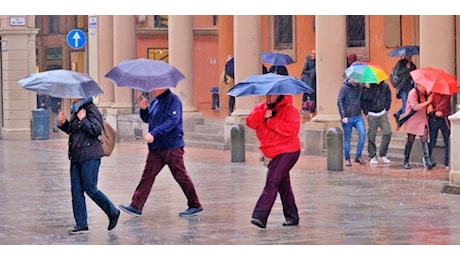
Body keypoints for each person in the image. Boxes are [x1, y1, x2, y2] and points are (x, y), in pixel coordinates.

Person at [119, 88, 203, 217]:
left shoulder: (173, 100)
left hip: (172, 146)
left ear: (163, 86)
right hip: (156, 147)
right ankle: (136, 205)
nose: (151, 90)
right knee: (147, 175)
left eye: (154, 87)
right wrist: (144, 109)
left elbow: (172, 121)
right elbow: (149, 119)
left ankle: (195, 204)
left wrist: (154, 133)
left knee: (180, 176)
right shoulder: (155, 102)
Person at [57, 97, 120, 235]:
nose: (71, 97)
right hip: (76, 155)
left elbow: (96, 130)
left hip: (90, 155)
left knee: (91, 189)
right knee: (76, 191)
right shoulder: (76, 110)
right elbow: (74, 131)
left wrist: (84, 119)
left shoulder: (91, 109)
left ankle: (113, 212)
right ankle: (81, 224)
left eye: (74, 94)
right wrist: (63, 123)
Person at [246, 94, 301, 229]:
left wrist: (271, 121)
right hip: (272, 152)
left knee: (272, 181)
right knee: (283, 185)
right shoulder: (260, 108)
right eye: (267, 94)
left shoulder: (290, 110)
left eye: (272, 95)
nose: (268, 97)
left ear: (280, 95)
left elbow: (293, 130)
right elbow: (250, 123)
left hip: (288, 150)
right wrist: (263, 115)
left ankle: (260, 215)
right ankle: (292, 216)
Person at [401, 83, 434, 170]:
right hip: (413, 119)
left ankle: (427, 161)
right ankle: (406, 160)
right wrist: (427, 102)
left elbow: (429, 104)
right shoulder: (413, 93)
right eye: (423, 86)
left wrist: (430, 105)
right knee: (410, 140)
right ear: (418, 85)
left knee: (424, 139)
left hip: (422, 119)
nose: (425, 88)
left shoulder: (426, 94)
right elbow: (415, 107)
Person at [361, 81, 392, 164]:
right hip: (371, 114)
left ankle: (383, 154)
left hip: (382, 113)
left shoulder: (385, 86)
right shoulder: (368, 87)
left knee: (387, 132)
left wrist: (387, 108)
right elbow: (363, 100)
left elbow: (388, 97)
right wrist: (366, 112)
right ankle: (372, 155)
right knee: (371, 135)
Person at [337, 79, 367, 167]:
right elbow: (339, 102)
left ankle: (358, 156)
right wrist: (343, 116)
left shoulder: (360, 88)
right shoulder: (344, 88)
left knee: (362, 134)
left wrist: (365, 112)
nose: (357, 80)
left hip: (358, 116)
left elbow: (362, 100)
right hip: (347, 116)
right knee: (347, 138)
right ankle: (347, 158)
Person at [427, 92, 452, 169]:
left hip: (444, 118)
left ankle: (447, 162)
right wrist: (429, 105)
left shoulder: (447, 94)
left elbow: (446, 104)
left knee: (447, 140)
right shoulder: (431, 93)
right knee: (432, 140)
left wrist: (440, 111)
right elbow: (427, 101)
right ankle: (428, 159)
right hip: (434, 118)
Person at [391, 55, 417, 124]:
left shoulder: (412, 65)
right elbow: (397, 73)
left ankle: (397, 113)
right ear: (405, 56)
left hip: (410, 87)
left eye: (410, 56)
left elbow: (415, 74)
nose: (410, 57)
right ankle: (407, 122)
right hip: (402, 87)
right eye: (408, 56)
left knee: (409, 105)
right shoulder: (400, 63)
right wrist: (406, 68)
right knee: (406, 106)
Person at [300, 49, 317, 113]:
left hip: (314, 82)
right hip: (307, 81)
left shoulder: (317, 62)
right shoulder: (308, 60)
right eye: (313, 54)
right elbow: (304, 70)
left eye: (315, 54)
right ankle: (305, 108)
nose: (314, 55)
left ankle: (312, 108)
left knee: (313, 95)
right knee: (306, 95)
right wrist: (312, 72)